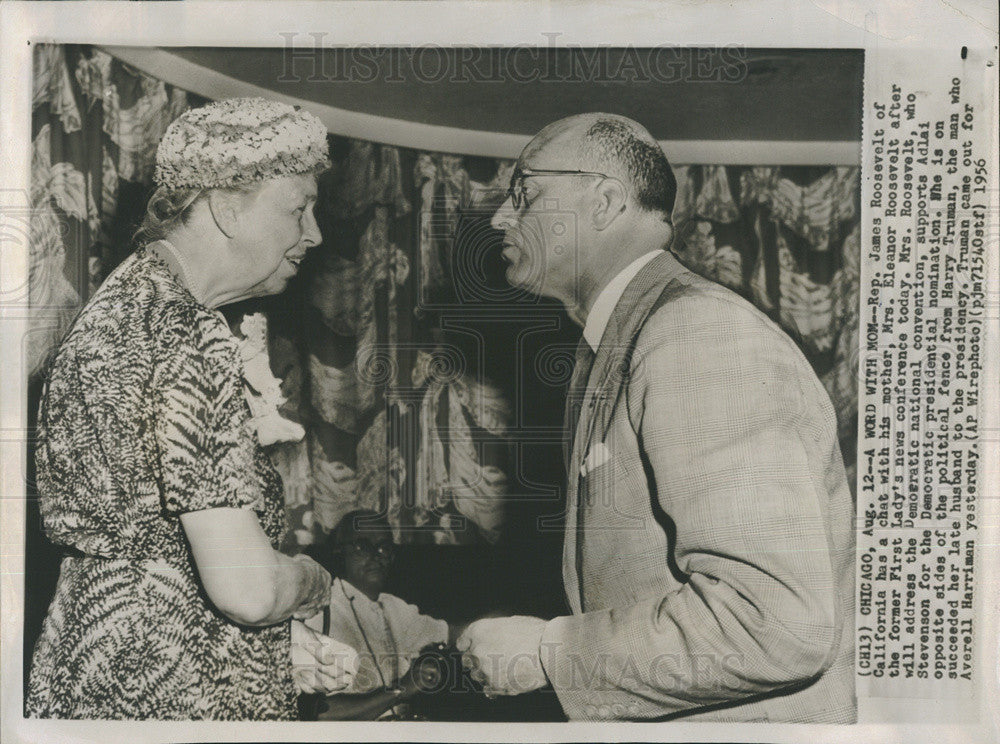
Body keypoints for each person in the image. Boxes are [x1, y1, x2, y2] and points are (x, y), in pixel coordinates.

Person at [457, 113, 856, 723]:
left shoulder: (696, 335)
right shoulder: (618, 344)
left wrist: (549, 653)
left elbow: (772, 622)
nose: (500, 218)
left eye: (525, 193)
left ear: (605, 201)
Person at [26, 97, 358, 720]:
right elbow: (250, 590)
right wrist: (313, 581)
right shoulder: (190, 332)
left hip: (97, 661)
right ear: (228, 208)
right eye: (298, 208)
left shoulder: (117, 309)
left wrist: (272, 646)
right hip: (172, 692)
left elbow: (151, 551)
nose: (313, 234)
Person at [304, 510, 451, 720]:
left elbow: (450, 632)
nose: (375, 555)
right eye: (362, 546)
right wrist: (400, 690)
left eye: (384, 547)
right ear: (339, 552)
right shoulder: (319, 612)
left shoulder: (392, 605)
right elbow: (319, 714)